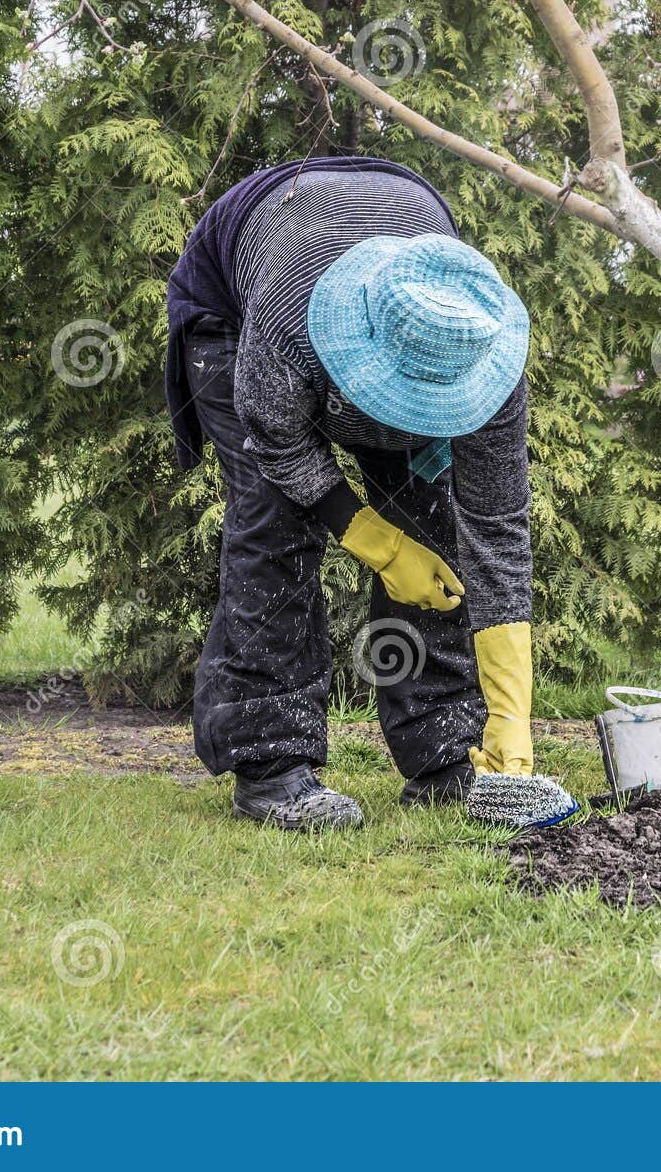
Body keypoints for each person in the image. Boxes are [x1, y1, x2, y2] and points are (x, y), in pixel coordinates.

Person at [165, 157, 535, 830]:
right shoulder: (287, 324)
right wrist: (376, 543)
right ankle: (273, 766)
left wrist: (511, 716)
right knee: (274, 518)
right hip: (240, 295)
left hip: (378, 224)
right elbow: (278, 444)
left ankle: (447, 749)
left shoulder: (484, 345)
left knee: (432, 521)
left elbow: (497, 526)